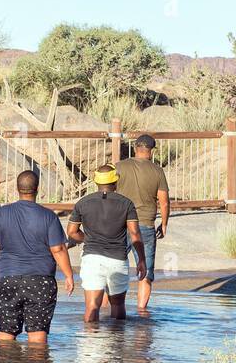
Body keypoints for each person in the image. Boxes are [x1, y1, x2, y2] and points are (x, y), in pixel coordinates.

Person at [0, 170, 75, 344]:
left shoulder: (2, 213)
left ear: (17, 189)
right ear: (37, 189)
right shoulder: (49, 216)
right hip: (41, 280)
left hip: (8, 278)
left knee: (5, 332)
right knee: (38, 334)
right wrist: (69, 275)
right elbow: (58, 249)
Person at [67, 165, 146, 322]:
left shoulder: (83, 203)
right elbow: (135, 233)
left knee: (92, 306)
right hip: (118, 258)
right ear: (115, 182)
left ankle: (90, 343)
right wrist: (142, 260)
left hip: (92, 259)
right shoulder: (127, 204)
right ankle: (117, 342)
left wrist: (87, 238)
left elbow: (71, 231)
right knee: (118, 305)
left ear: (96, 182)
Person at [114, 134, 169, 311]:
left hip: (120, 224)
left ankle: (108, 311)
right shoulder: (157, 171)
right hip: (145, 223)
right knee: (145, 272)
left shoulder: (119, 167)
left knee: (113, 268)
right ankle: (141, 312)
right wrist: (164, 223)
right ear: (152, 151)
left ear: (135, 147)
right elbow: (164, 201)